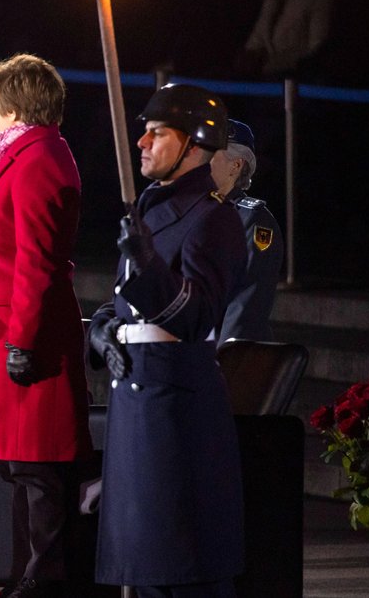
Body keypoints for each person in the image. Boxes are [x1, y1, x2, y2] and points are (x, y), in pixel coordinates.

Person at [88, 83, 246, 598]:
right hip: (137, 394)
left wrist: (150, 265)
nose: (142, 143)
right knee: (148, 571)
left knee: (184, 570)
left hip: (175, 410)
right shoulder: (151, 211)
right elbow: (125, 303)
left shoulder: (212, 217)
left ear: (194, 144)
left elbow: (197, 314)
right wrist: (103, 329)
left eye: (157, 133)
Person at [0, 54, 92, 598]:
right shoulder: (25, 153)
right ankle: (25, 575)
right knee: (20, 464)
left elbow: (37, 261)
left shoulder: (37, 160)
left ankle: (45, 577)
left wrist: (22, 339)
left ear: (17, 103)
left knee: (38, 466)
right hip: (8, 331)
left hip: (27, 334)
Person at [210, 119, 284, 342]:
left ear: (237, 165)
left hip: (219, 362)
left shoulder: (252, 220)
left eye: (211, 154)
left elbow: (246, 308)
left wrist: (225, 365)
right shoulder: (190, 212)